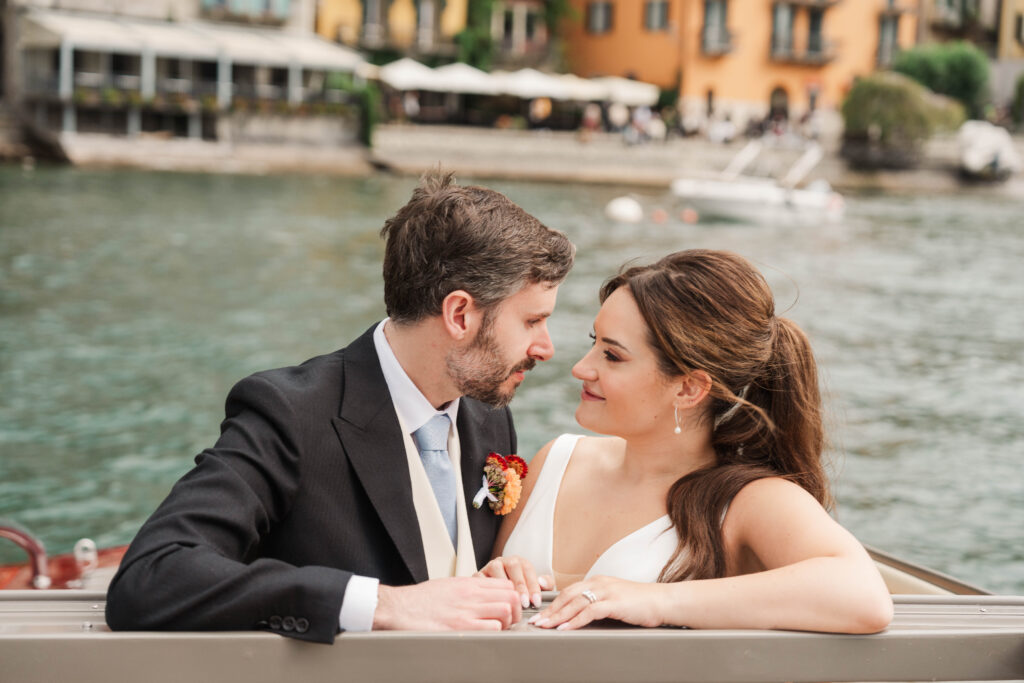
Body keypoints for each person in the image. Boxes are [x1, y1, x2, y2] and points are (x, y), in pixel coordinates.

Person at [104, 171, 575, 644]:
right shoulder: (290, 413)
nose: (546, 347)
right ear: (459, 314)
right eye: (533, 320)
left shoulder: (489, 415)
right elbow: (151, 576)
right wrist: (382, 605)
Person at [480, 250, 894, 634]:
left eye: (613, 356)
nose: (580, 368)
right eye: (594, 344)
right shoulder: (557, 459)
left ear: (689, 389)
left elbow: (864, 596)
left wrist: (656, 601)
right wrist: (500, 575)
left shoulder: (750, 500)